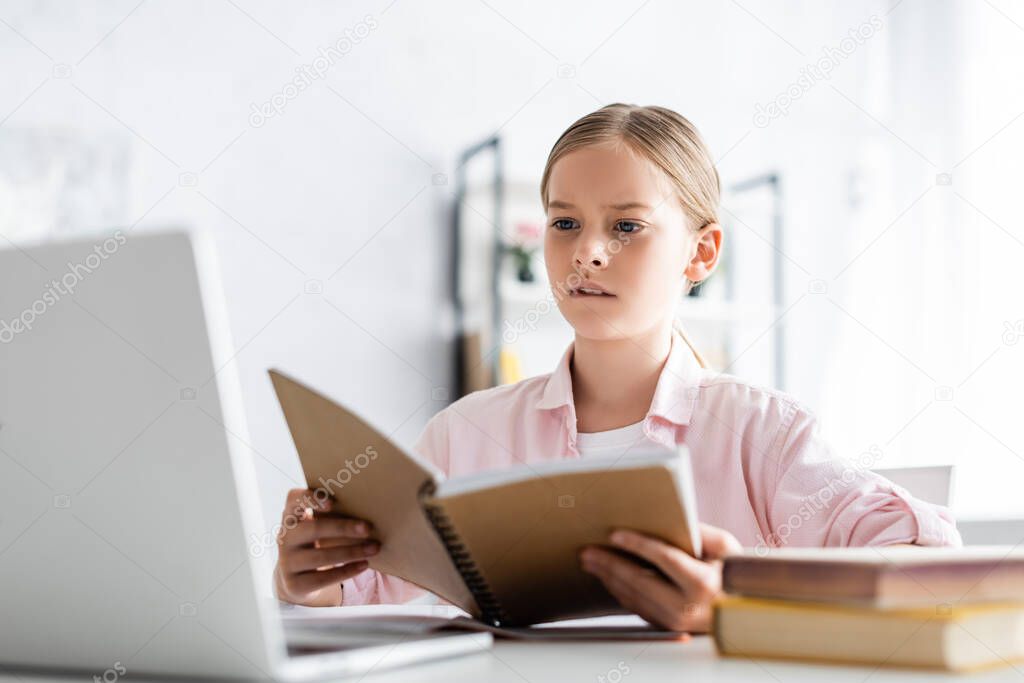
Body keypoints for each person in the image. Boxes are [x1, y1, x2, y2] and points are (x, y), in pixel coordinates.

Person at [273, 103, 962, 631]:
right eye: (564, 223)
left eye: (626, 226)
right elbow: (361, 595)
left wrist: (736, 599)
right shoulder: (465, 434)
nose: (587, 253)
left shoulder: (762, 433)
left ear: (700, 254)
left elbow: (932, 564)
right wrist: (309, 576)